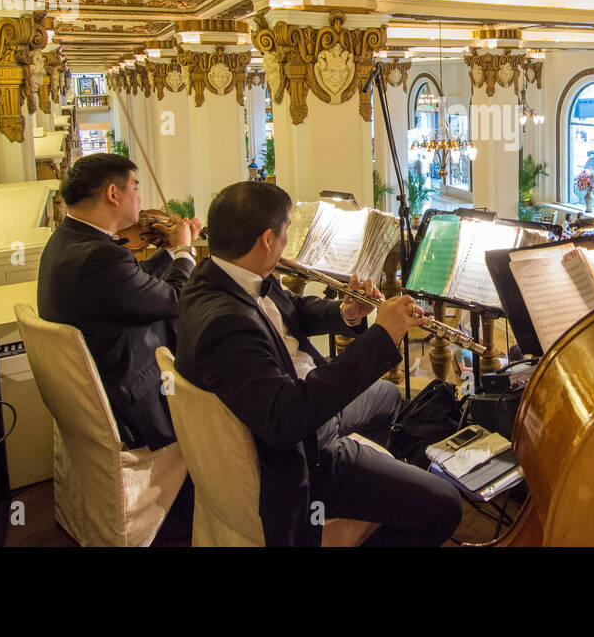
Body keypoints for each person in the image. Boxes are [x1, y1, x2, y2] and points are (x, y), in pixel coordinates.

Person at [175, 181, 463, 547]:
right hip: (300, 453)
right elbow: (287, 417)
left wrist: (347, 312)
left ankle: (373, 497)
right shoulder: (226, 326)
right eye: (286, 231)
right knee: (444, 505)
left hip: (308, 405)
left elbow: (292, 310)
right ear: (267, 239)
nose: (287, 240)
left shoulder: (224, 275)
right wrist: (382, 337)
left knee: (388, 396)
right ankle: (348, 497)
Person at [38, 154, 200, 450]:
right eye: (135, 189)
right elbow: (177, 299)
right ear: (113, 194)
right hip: (136, 401)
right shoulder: (100, 257)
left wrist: (168, 254)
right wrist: (184, 249)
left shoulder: (67, 239)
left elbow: (132, 285)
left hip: (103, 380)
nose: (140, 199)